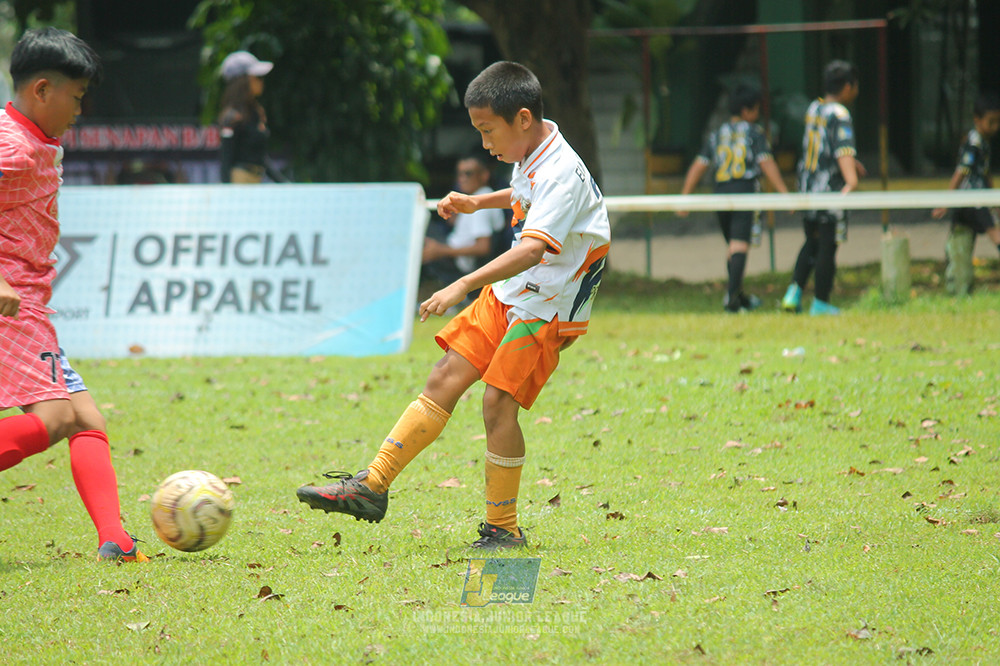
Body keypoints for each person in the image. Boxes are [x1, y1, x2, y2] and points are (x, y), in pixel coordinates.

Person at [296, 61, 611, 550]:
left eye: (488, 132)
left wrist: (458, 285)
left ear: (522, 118)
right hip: (513, 288)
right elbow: (527, 193)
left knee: (497, 403)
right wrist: (477, 202)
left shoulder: (562, 172)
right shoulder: (534, 145)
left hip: (548, 303)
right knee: (445, 375)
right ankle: (372, 486)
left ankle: (503, 530)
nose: (485, 144)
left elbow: (532, 247)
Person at [0, 27, 147, 562]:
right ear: (42, 90)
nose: (79, 111)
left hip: (29, 304)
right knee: (58, 417)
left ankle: (117, 539)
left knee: (87, 420)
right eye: (77, 98)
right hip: (12, 306)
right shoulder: (13, 148)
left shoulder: (29, 138)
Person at [678, 84, 789, 312]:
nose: (757, 115)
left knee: (732, 246)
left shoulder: (717, 134)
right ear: (747, 111)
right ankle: (732, 299)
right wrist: (784, 193)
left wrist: (685, 196)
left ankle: (738, 296)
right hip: (744, 191)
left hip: (720, 193)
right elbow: (765, 162)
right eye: (756, 110)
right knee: (739, 245)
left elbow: (700, 165)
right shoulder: (754, 132)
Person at [782, 60, 864, 315]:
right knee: (828, 245)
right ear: (848, 86)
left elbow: (820, 147)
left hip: (808, 186)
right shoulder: (840, 114)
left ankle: (793, 293)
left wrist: (851, 163)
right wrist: (851, 179)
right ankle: (820, 302)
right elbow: (842, 149)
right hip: (829, 189)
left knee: (811, 240)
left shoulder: (814, 108)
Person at [931, 91, 1000, 295]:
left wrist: (995, 199)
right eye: (991, 122)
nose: (995, 127)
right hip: (972, 198)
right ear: (977, 120)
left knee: (959, 238)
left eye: (998, 122)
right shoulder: (974, 142)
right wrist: (946, 201)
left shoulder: (984, 141)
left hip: (976, 198)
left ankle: (960, 287)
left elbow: (986, 174)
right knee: (994, 233)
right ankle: (957, 285)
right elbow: (961, 172)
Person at [422, 152, 507, 295]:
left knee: (421, 226)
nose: (461, 179)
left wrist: (440, 250)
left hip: (461, 263)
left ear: (484, 175)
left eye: (468, 173)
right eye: (459, 174)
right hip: (453, 250)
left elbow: (483, 247)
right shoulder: (476, 197)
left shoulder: (481, 200)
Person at [217, 50, 283, 183]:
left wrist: (283, 183)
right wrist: (226, 193)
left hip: (255, 180)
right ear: (242, 81)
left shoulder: (256, 113)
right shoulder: (231, 117)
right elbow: (226, 158)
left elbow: (260, 157)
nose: (261, 81)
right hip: (240, 182)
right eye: (257, 77)